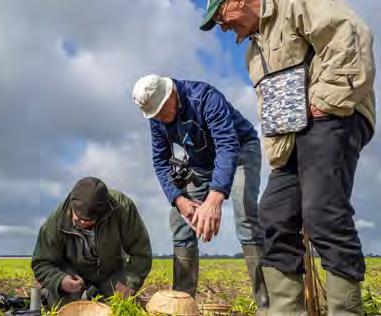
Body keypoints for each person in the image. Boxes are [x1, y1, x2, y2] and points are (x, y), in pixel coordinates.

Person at [199, 0, 375, 314]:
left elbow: (350, 34)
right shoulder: (252, 53)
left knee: (323, 212)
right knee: (273, 214)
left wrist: (325, 100)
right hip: (291, 139)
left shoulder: (294, 5)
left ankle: (345, 310)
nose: (222, 27)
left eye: (220, 17)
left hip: (333, 116)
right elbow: (271, 105)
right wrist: (278, 150)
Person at [131, 74, 268, 311]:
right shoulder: (157, 118)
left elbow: (227, 145)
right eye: (155, 116)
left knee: (244, 214)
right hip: (200, 163)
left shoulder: (205, 98)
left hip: (240, 151)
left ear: (171, 93)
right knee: (180, 220)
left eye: (163, 112)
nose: (161, 119)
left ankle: (268, 306)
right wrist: (179, 199)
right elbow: (160, 161)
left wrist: (214, 200)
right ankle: (181, 305)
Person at [32, 177, 152, 307]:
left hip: (111, 279)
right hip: (72, 281)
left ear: (103, 213)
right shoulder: (57, 219)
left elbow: (141, 253)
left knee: (117, 306)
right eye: (78, 220)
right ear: (72, 207)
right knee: (67, 307)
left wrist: (129, 281)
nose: (83, 223)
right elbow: (41, 262)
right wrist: (60, 280)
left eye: (89, 222)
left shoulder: (122, 208)